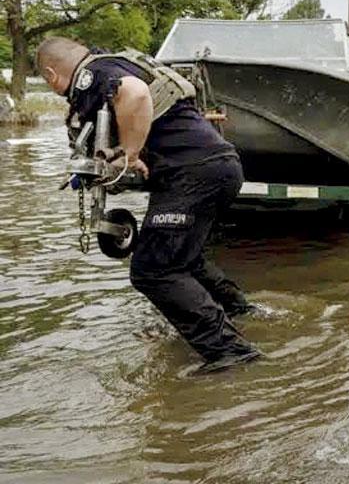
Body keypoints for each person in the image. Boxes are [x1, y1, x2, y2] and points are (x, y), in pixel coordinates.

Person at [36, 37, 259, 373]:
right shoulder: (113, 62)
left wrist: (130, 152)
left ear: (52, 75)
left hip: (192, 172)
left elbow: (136, 94)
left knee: (153, 271)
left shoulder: (93, 76)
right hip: (215, 166)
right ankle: (242, 311)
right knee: (184, 261)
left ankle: (231, 351)